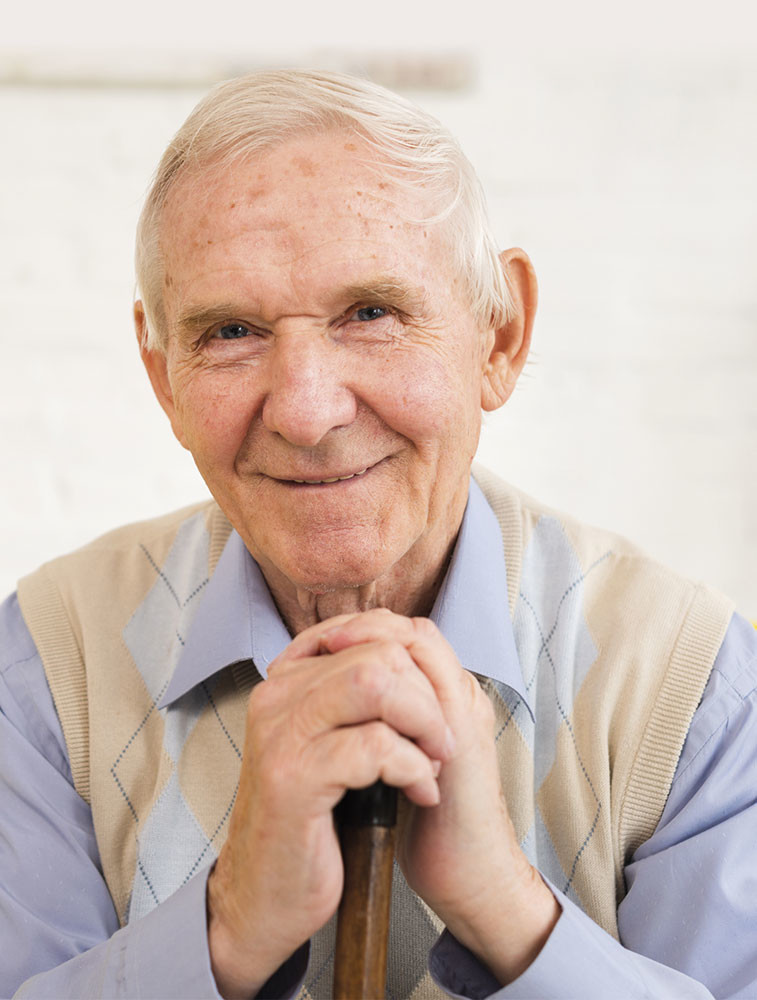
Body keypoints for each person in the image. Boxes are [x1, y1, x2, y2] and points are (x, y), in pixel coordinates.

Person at [1, 69, 755, 1000]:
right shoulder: (47, 670)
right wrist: (229, 927)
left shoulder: (690, 684)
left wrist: (507, 909)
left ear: (499, 335)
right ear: (164, 378)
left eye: (370, 313)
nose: (306, 410)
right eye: (231, 331)